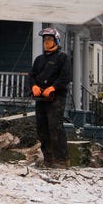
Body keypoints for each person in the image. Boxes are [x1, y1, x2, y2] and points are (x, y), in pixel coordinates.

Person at [28, 26, 72, 168]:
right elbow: (32, 75)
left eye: (49, 39)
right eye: (45, 39)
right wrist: (33, 86)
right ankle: (49, 159)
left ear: (56, 41)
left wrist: (53, 87)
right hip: (41, 98)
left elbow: (65, 77)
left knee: (55, 127)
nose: (46, 42)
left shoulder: (62, 57)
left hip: (56, 97)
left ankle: (62, 160)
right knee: (42, 128)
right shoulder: (39, 59)